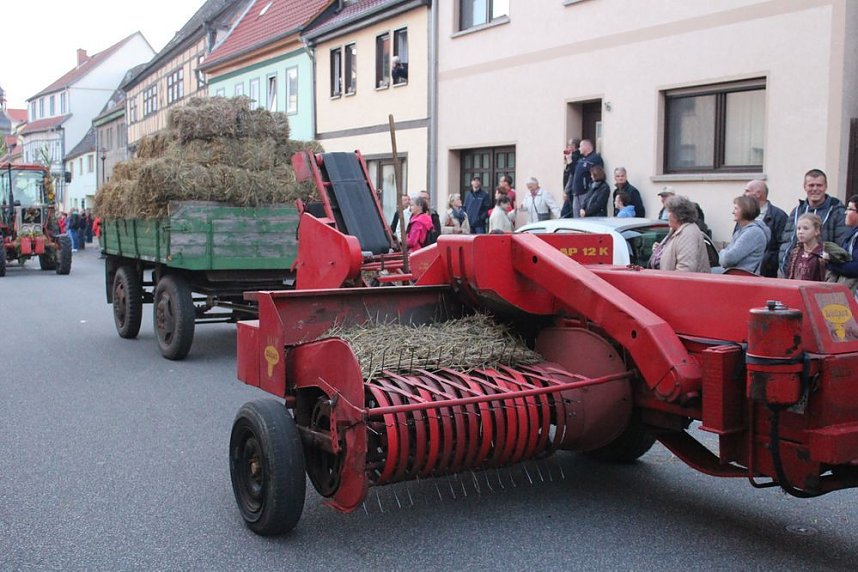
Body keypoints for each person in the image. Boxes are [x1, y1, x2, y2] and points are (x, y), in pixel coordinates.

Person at [779, 169, 850, 275]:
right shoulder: (797, 211)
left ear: (825, 187)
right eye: (811, 185)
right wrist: (784, 269)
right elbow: (787, 243)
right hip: (793, 274)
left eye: (819, 185)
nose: (815, 189)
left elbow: (841, 248)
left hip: (823, 277)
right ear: (805, 187)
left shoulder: (837, 211)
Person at [648, 194, 711, 273]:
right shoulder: (676, 230)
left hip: (677, 284)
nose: (667, 215)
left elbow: (685, 269)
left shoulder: (688, 233)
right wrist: (659, 250)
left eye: (669, 212)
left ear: (678, 215)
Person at [742, 179, 787, 278]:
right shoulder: (744, 214)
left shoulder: (779, 216)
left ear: (758, 194)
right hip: (744, 272)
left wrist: (769, 262)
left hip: (768, 273)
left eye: (747, 191)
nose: (744, 194)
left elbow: (784, 245)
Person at [718, 195, 770, 274]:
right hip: (737, 276)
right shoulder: (741, 230)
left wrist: (722, 252)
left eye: (736, 208)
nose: (733, 212)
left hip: (744, 279)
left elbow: (728, 259)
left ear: (745, 210)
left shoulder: (753, 233)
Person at [826, 194, 858, 296]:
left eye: (850, 209)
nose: (845, 212)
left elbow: (855, 268)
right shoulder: (852, 234)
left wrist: (831, 263)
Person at [563, 138, 603, 218]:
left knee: (585, 217)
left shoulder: (595, 158)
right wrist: (569, 160)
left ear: (587, 147)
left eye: (580, 146)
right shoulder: (581, 159)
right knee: (576, 218)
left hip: (586, 193)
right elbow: (573, 172)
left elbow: (598, 175)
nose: (579, 149)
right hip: (576, 193)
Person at [785, 213, 826, 281]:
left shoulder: (822, 254)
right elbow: (789, 276)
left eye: (805, 228)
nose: (801, 232)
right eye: (798, 228)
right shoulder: (795, 253)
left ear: (817, 231)